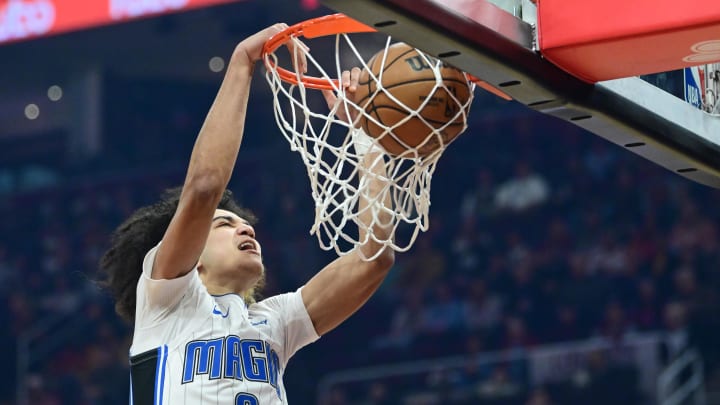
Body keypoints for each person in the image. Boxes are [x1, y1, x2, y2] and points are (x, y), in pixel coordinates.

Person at [99, 23, 395, 404]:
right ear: (194, 258)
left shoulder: (275, 321)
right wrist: (242, 62)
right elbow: (205, 188)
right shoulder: (165, 298)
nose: (247, 230)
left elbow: (375, 257)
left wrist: (365, 134)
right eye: (225, 223)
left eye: (245, 224)